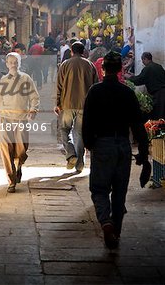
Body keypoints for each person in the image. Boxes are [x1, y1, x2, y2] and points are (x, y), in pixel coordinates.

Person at [82, 51, 149, 249]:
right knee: (119, 192)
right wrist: (144, 154)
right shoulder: (127, 92)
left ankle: (106, 222)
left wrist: (88, 144)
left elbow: (87, 121)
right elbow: (138, 124)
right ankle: (116, 233)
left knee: (99, 189)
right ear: (120, 69)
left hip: (102, 145)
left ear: (102, 70)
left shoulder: (95, 91)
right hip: (122, 146)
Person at [0, 52, 40, 193]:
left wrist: (33, 110)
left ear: (19, 63)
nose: (13, 64)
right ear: (7, 64)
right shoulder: (2, 80)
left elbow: (34, 97)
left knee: (21, 149)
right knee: (6, 149)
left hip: (21, 119)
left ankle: (18, 165)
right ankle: (11, 180)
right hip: (5, 119)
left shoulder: (26, 79)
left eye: (16, 62)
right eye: (11, 62)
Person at [54, 41, 98, 172]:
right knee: (79, 134)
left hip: (67, 104)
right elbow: (95, 87)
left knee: (63, 129)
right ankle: (79, 164)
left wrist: (57, 103)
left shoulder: (65, 65)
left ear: (71, 51)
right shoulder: (90, 65)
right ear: (83, 51)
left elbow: (59, 85)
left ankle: (71, 153)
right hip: (85, 106)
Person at [126, 52, 165, 119]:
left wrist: (129, 78)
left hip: (159, 95)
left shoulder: (148, 68)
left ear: (145, 59)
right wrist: (133, 76)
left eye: (142, 60)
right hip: (163, 92)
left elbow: (139, 80)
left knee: (159, 116)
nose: (143, 62)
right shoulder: (159, 66)